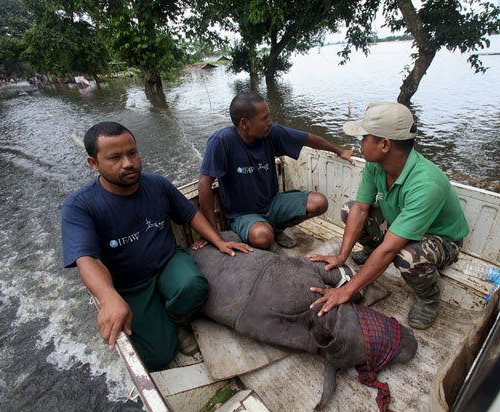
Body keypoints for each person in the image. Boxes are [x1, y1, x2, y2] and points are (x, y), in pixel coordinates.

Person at [61, 122, 251, 371]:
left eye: (132, 153)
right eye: (115, 157)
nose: (128, 163)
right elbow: (87, 259)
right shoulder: (79, 206)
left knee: (193, 285)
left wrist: (218, 241)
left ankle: (175, 318)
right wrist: (108, 298)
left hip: (168, 262)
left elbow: (190, 215)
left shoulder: (157, 185)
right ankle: (162, 321)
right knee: (157, 357)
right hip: (129, 285)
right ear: (93, 164)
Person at [307, 102, 469, 329]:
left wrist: (346, 290)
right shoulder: (376, 165)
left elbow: (391, 248)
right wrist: (342, 256)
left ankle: (429, 298)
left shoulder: (426, 183)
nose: (360, 143)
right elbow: (361, 208)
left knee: (405, 256)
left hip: (440, 238)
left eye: (364, 138)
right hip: (399, 224)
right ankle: (371, 249)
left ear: (384, 144)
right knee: (349, 209)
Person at [197, 92, 355, 250]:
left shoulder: (271, 133)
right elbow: (205, 183)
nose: (270, 122)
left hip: (271, 204)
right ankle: (263, 230)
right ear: (245, 124)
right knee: (263, 236)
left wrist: (338, 151)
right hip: (243, 214)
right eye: (264, 118)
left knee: (319, 202)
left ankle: (276, 229)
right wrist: (212, 233)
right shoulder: (222, 141)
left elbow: (308, 138)